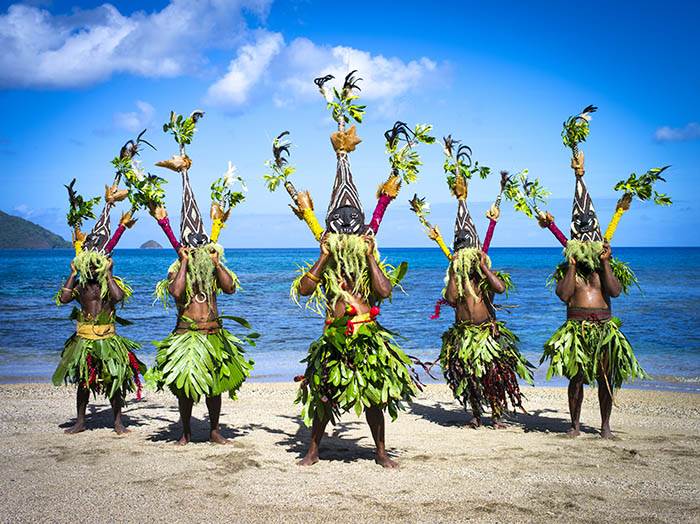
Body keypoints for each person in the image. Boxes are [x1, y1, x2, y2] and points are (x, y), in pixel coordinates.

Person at [285, 72, 418, 468]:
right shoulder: (327, 262)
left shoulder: (366, 259)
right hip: (333, 334)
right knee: (323, 394)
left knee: (375, 395)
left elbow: (383, 292)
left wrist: (373, 256)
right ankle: (313, 448)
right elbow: (305, 291)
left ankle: (379, 451)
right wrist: (324, 256)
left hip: (366, 333)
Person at [142, 110, 255, 445]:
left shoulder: (216, 262)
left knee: (216, 385)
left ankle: (216, 430)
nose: (198, 251)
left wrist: (217, 262)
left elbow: (230, 289)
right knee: (185, 389)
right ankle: (187, 432)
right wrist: (186, 263)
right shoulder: (178, 269)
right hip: (187, 334)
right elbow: (176, 294)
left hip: (214, 332)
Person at [542, 106, 647, 438]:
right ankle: (574, 425)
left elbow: (614, 292)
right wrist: (571, 267)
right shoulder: (569, 265)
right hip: (575, 327)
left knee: (605, 377)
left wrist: (604, 262)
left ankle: (604, 425)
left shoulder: (604, 265)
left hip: (603, 328)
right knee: (576, 378)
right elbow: (562, 295)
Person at [412, 145, 533, 428]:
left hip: (485, 332)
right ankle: (476, 415)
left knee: (492, 373)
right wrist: (454, 269)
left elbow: (500, 289)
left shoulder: (482, 276)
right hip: (463, 333)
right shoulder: (455, 275)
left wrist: (483, 268)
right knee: (469, 377)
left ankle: (497, 415)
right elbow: (453, 300)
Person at [53, 180, 144, 435]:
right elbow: (63, 299)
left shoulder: (107, 282)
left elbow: (117, 298)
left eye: (97, 264)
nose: (93, 267)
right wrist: (72, 274)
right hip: (84, 337)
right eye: (89, 264)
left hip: (107, 337)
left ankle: (117, 422)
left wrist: (109, 274)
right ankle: (81, 421)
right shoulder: (81, 285)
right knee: (84, 381)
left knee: (115, 379)